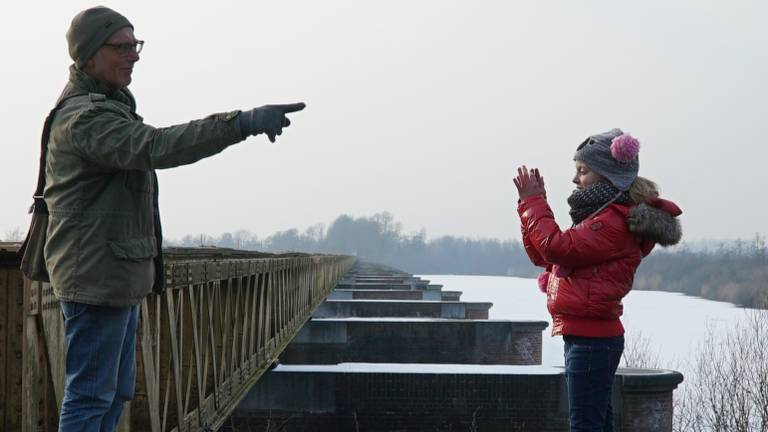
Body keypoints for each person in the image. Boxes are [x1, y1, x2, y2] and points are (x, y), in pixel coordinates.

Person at [44, 7, 305, 431]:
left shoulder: (108, 108)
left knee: (113, 394)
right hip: (95, 279)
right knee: (91, 397)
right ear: (89, 54)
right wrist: (240, 124)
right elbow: (159, 146)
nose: (134, 55)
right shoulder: (86, 118)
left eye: (135, 45)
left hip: (112, 276)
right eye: (121, 47)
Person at [513, 129, 682, 431]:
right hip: (586, 337)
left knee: (586, 425)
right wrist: (529, 207)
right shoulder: (599, 218)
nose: (575, 179)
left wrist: (533, 202)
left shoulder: (611, 223)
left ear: (608, 176)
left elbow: (556, 248)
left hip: (592, 341)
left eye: (583, 171)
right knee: (597, 423)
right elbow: (545, 256)